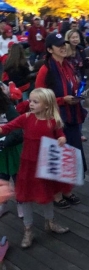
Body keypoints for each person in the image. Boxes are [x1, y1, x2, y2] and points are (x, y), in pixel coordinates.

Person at [0, 88, 70, 248]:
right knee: (25, 196)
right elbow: (7, 127)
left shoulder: (53, 120)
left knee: (47, 192)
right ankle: (28, 229)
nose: (30, 104)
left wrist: (62, 139)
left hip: (45, 163)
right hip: (27, 163)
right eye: (30, 101)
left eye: (35, 102)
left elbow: (60, 134)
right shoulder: (26, 118)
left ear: (46, 105)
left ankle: (50, 221)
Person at [35, 32, 85, 209]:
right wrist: (62, 100)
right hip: (54, 119)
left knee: (69, 154)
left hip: (71, 116)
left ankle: (66, 190)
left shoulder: (68, 65)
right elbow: (38, 98)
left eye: (64, 43)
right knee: (57, 155)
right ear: (49, 49)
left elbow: (74, 85)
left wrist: (79, 94)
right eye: (58, 45)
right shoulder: (46, 69)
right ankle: (56, 194)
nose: (63, 47)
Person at [0, 83, 23, 218]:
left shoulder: (8, 109)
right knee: (2, 177)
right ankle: (2, 204)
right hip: (1, 152)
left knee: (17, 177)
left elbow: (19, 130)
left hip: (11, 147)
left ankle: (21, 203)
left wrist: (6, 142)